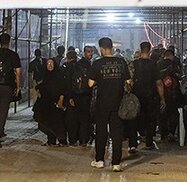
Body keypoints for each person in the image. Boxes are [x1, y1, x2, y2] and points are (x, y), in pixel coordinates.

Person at [89, 37, 132, 172]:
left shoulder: (97, 63)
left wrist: (101, 80)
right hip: (118, 102)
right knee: (117, 133)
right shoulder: (121, 62)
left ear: (101, 48)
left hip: (102, 103)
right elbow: (129, 81)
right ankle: (116, 163)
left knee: (101, 132)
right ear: (112, 47)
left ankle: (100, 160)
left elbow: (90, 83)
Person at [132, 42, 165, 151]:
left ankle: (133, 143)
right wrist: (162, 98)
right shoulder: (153, 64)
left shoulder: (134, 64)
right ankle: (149, 142)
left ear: (140, 49)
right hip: (151, 96)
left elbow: (129, 81)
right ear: (149, 50)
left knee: (135, 118)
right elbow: (159, 83)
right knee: (150, 119)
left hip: (136, 95)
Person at [65, 46, 95, 146]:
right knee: (84, 118)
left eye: (91, 52)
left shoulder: (78, 64)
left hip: (77, 94)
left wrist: (71, 96)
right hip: (84, 95)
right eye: (88, 52)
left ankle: (76, 139)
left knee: (76, 118)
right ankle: (83, 139)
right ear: (84, 53)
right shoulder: (87, 65)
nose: (90, 54)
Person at [35, 58, 67, 146]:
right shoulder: (45, 75)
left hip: (56, 102)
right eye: (48, 63)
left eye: (51, 63)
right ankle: (51, 141)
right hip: (46, 102)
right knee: (48, 121)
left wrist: (61, 100)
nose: (50, 65)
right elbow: (41, 86)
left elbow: (63, 88)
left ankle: (62, 140)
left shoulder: (59, 75)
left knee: (58, 122)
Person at [158, 48, 182, 142]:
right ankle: (171, 133)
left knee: (162, 114)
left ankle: (164, 134)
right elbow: (179, 76)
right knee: (173, 114)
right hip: (173, 94)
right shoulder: (174, 64)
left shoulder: (159, 64)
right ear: (171, 56)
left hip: (161, 93)